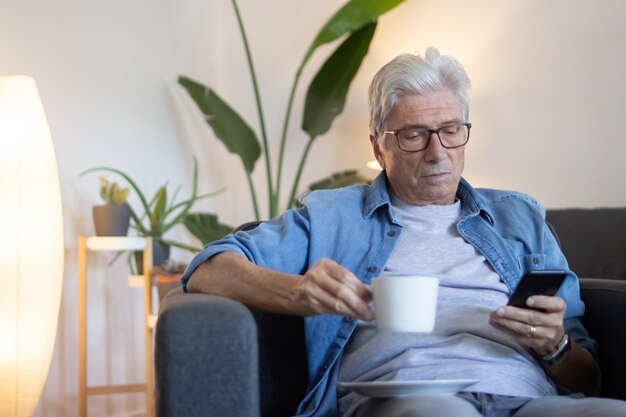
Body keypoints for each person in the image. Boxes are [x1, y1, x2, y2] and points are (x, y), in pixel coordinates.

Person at [182, 48, 626, 417]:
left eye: (451, 131)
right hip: (408, 399)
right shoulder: (332, 215)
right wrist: (297, 292)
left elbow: (587, 377)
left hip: (524, 397)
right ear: (379, 144)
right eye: (414, 134)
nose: (438, 153)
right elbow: (207, 268)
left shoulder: (520, 217)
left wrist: (555, 346)